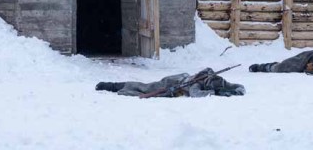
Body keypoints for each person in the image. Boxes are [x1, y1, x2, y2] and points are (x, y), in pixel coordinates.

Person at [95, 68, 246, 98]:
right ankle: (112, 86)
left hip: (180, 82)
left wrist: (235, 90)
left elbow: (239, 87)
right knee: (144, 88)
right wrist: (215, 93)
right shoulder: (197, 83)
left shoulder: (219, 81)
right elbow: (195, 94)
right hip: (173, 82)